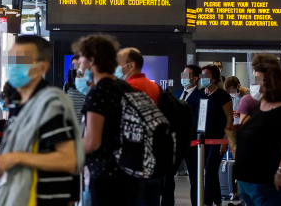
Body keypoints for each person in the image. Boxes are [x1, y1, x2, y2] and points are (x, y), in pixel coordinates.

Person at [0, 36, 82, 206]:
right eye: (12, 58)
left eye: (21, 60)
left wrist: (16, 158)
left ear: (42, 67)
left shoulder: (51, 105)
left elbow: (69, 160)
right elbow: (19, 148)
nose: (13, 65)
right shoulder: (18, 103)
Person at [75, 34, 135, 206]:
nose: (80, 63)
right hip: (128, 174)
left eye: (82, 59)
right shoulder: (124, 87)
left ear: (92, 61)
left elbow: (92, 142)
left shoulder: (99, 93)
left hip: (105, 175)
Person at [235, 54, 281, 206]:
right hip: (250, 183)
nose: (256, 85)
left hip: (270, 184)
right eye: (255, 80)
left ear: (272, 82)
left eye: (261, 80)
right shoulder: (259, 108)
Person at [116, 47, 162, 206]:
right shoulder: (153, 86)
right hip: (154, 155)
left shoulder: (131, 88)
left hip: (135, 157)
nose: (117, 66)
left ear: (131, 65)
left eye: (119, 63)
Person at [192, 64, 232, 206]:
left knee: (210, 169)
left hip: (217, 139)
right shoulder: (199, 94)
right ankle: (217, 200)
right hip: (201, 139)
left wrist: (225, 140)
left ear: (214, 78)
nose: (203, 79)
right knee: (209, 170)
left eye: (206, 76)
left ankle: (207, 202)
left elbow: (229, 118)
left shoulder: (223, 96)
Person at [165, 65, 203, 206]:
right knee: (168, 175)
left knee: (195, 179)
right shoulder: (177, 93)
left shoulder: (200, 96)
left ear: (195, 79)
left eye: (187, 76)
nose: (183, 78)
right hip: (175, 143)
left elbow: (199, 119)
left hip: (192, 144)